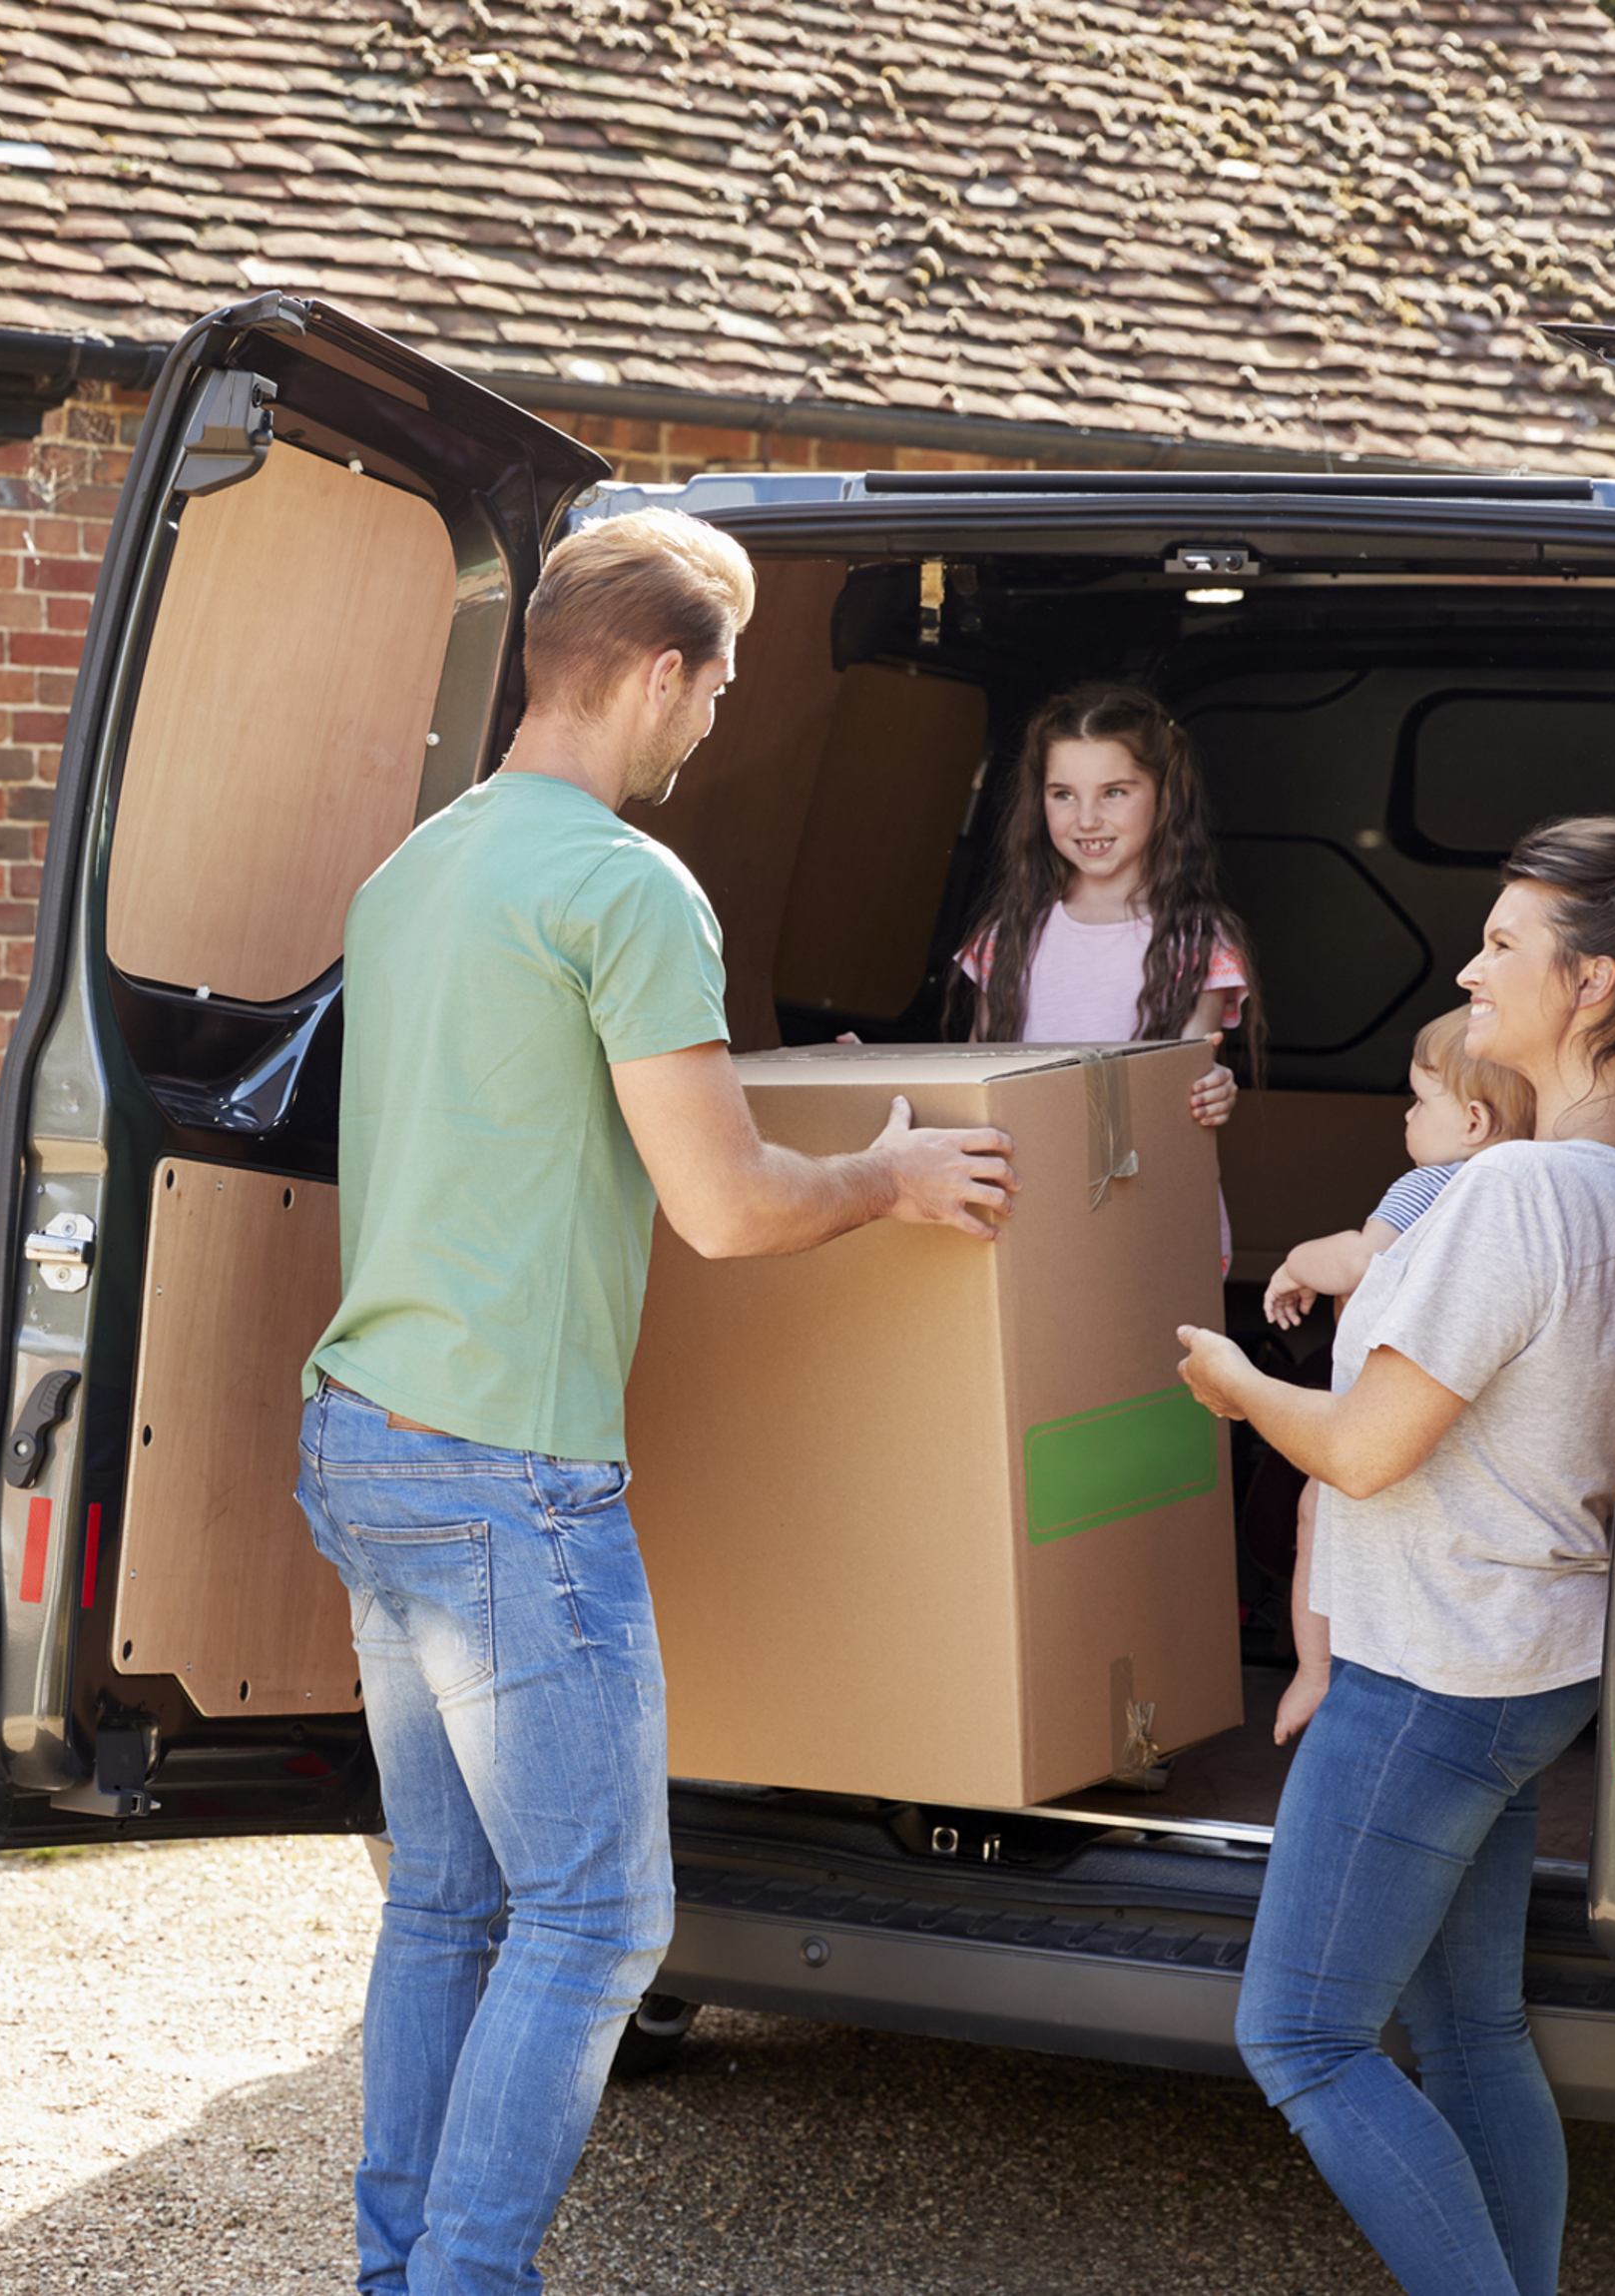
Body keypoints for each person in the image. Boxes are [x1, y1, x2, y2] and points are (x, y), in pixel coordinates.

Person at [295, 507, 1020, 2296]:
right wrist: (891, 1171)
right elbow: (727, 1204)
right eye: (721, 682)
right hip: (504, 1479)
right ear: (655, 673)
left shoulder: (418, 872)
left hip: (366, 1436)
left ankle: (404, 2273)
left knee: (453, 1904)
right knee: (602, 1918)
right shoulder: (626, 887)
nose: (719, 719)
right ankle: (459, 2282)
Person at [1176, 816, 1615, 2296]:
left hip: (1429, 1672)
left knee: (1300, 2034)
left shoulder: (1515, 1193)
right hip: (1532, 1667)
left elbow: (1359, 1449)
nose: (1470, 967)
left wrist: (1236, 1382)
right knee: (1467, 2026)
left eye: (1503, 945)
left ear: (1590, 988)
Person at [1261, 1005, 1537, 1746]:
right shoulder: (1536, 1187)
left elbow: (1359, 1258)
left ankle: (1315, 1672)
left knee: (1316, 1514)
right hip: (1465, 1433)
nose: (1407, 1117)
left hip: (1381, 1407)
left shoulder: (1431, 1186)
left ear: (1473, 1122)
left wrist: (1293, 1265)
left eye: (1419, 1101)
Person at [947, 680, 1253, 1133]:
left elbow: (1187, 1082)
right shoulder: (1007, 935)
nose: (1086, 819)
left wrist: (1214, 1088)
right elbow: (976, 1085)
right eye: (1063, 794)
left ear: (1166, 796)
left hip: (1147, 1191)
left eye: (1114, 792)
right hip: (1033, 1187)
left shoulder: (1198, 941)